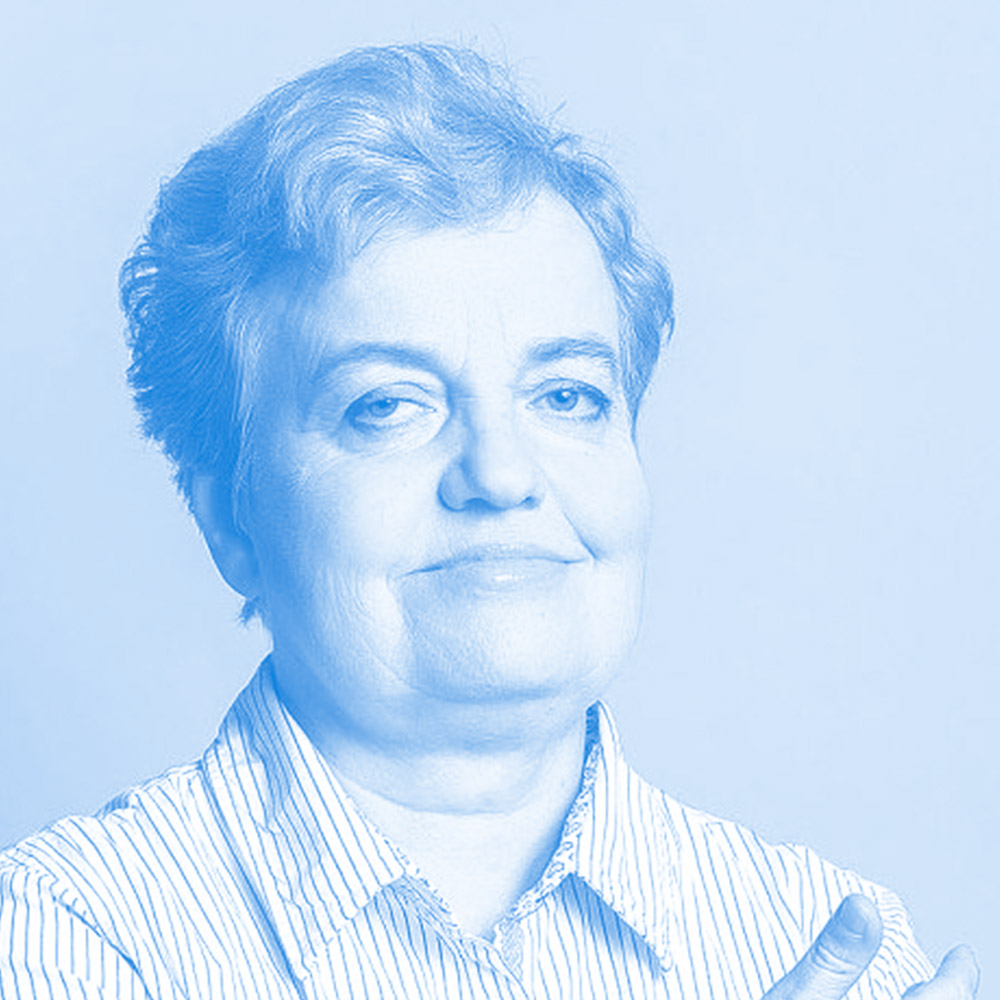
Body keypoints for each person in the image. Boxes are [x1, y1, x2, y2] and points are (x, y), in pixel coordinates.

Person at [0, 43, 978, 999]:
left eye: (567, 396)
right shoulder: (64, 932)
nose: (501, 475)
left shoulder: (832, 938)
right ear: (232, 520)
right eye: (388, 405)